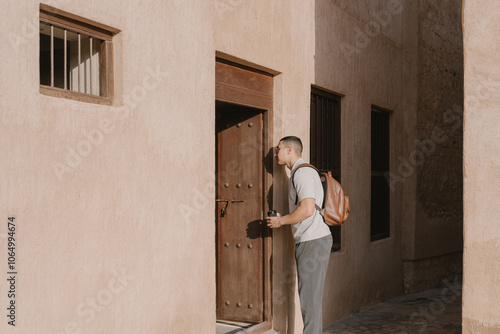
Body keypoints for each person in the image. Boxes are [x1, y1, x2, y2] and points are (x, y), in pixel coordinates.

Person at [266, 136, 333, 334]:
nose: (275, 153)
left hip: (313, 242)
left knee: (309, 303)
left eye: (278, 149)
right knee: (310, 301)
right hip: (313, 240)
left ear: (289, 150)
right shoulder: (301, 172)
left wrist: (281, 221)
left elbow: (307, 210)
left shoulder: (301, 173)